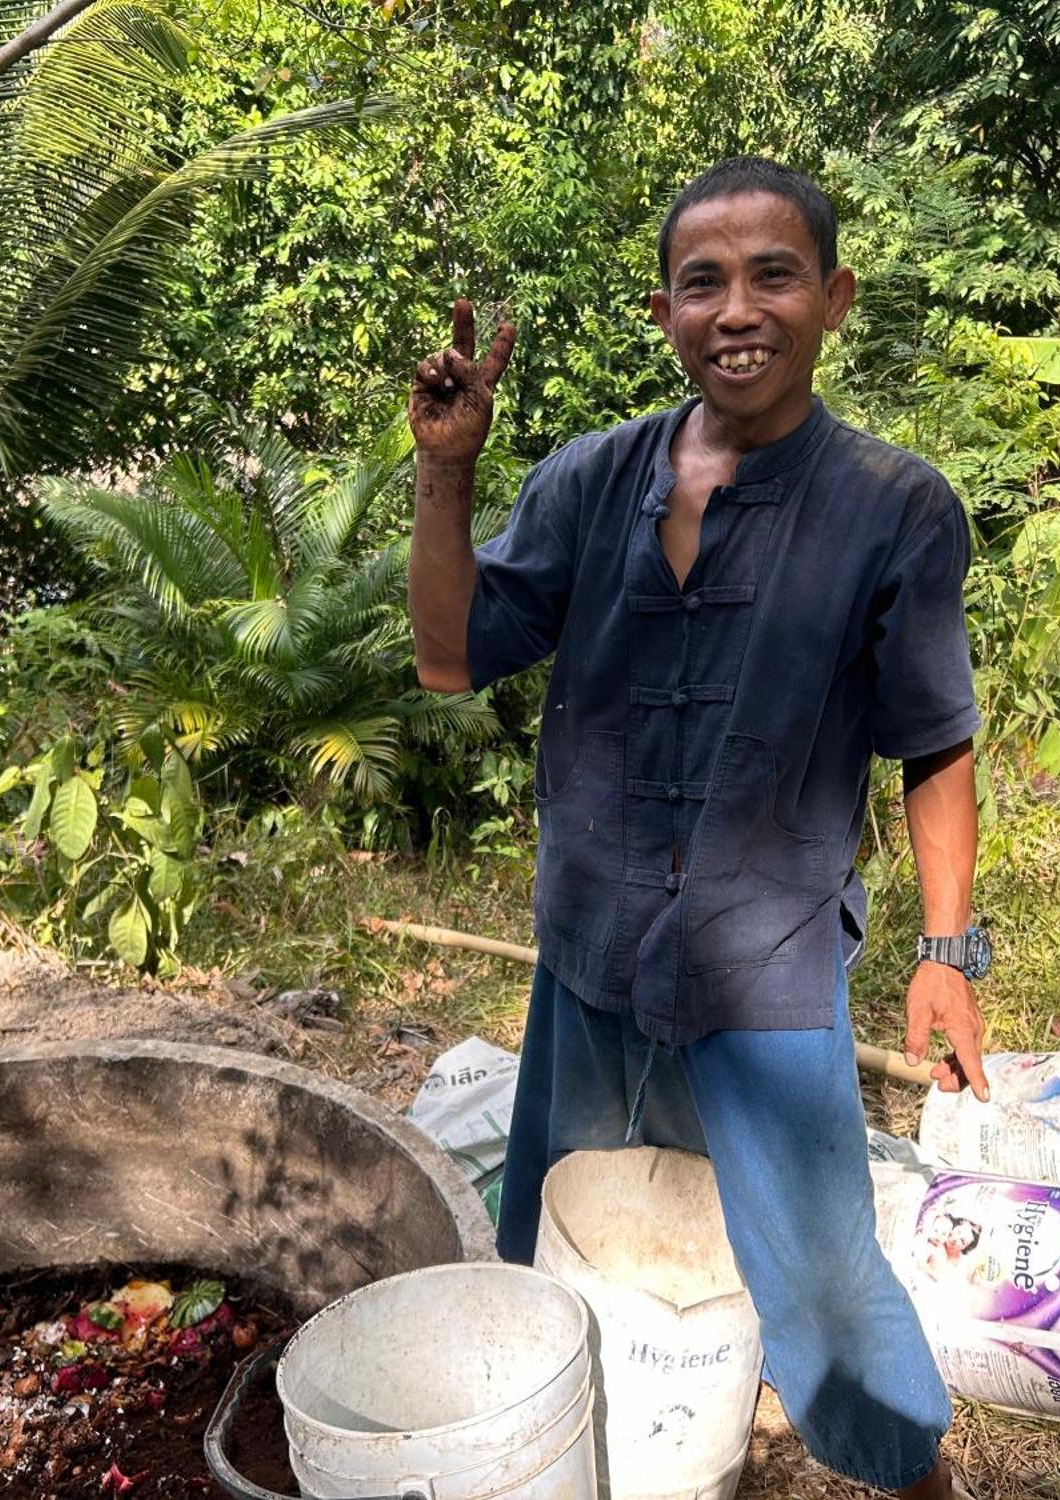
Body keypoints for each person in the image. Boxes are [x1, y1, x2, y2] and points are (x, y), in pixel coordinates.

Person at [407, 155, 989, 1499]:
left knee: (827, 1290)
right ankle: (595, 1459)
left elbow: (935, 742)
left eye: (774, 274)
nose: (739, 307)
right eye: (703, 280)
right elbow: (450, 659)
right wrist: (445, 474)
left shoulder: (893, 509)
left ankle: (911, 1476)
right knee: (564, 1257)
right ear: (665, 310)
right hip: (595, 962)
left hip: (767, 976)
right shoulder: (588, 481)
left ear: (833, 297)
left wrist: (949, 955)